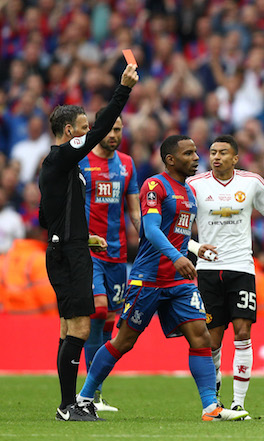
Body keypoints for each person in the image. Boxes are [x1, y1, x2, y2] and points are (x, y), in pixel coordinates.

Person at [76, 135, 248, 422]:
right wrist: (178, 257)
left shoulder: (188, 192)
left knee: (200, 336)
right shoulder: (154, 186)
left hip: (179, 282)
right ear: (170, 159)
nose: (196, 157)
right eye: (188, 153)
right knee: (124, 341)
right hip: (149, 278)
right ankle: (84, 398)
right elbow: (151, 230)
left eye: (195, 153)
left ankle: (210, 408)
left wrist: (194, 248)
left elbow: (176, 234)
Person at [39, 64, 138, 422]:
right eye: (83, 130)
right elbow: (99, 130)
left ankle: (68, 403)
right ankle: (70, 404)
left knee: (69, 327)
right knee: (81, 326)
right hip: (70, 253)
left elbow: (42, 215)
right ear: (70, 132)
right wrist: (122, 90)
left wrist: (81, 235)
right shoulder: (64, 157)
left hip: (67, 247)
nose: (90, 135)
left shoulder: (57, 167)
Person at [187, 135, 264, 417]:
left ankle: (239, 403)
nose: (216, 157)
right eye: (212, 152)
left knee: (243, 332)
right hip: (207, 270)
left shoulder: (252, 182)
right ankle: (214, 400)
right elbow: (177, 227)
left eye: (222, 153)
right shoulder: (194, 185)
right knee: (212, 339)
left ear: (235, 158)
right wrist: (195, 248)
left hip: (241, 267)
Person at [78, 107, 141, 412]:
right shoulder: (81, 162)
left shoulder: (127, 165)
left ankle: (95, 394)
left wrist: (148, 237)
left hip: (118, 255)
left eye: (119, 129)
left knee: (111, 322)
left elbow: (134, 211)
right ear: (96, 129)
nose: (115, 135)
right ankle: (88, 394)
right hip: (89, 252)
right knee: (99, 311)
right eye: (110, 129)